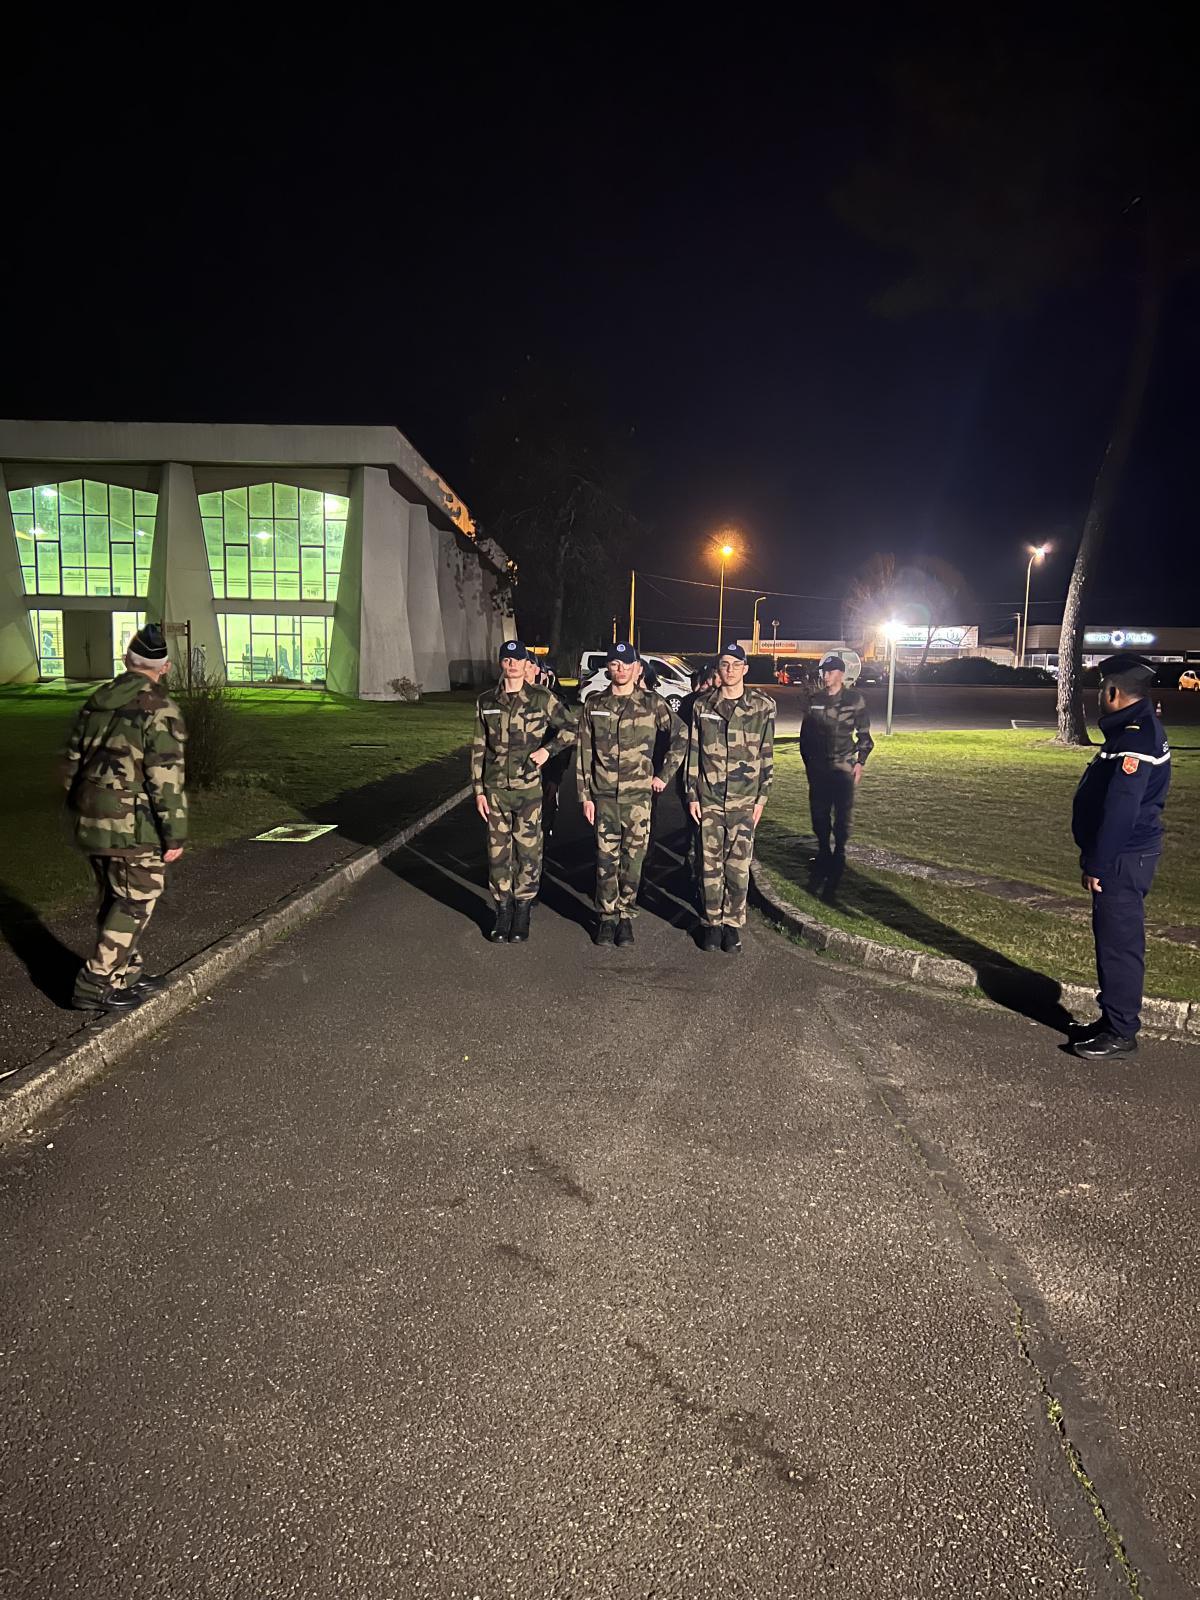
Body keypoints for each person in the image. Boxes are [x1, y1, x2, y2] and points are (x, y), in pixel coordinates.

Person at [63, 622, 187, 1012]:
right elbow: (166, 778)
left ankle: (125, 972)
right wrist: (175, 835)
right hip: (132, 825)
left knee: (116, 898)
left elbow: (71, 762)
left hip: (91, 817)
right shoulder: (158, 707)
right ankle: (94, 983)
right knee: (137, 899)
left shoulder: (97, 700)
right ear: (164, 668)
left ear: (125, 660)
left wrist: (80, 807)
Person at [1069, 652, 1172, 1060]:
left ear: (1113, 691)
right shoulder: (1136, 730)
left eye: (1100, 689)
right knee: (1114, 941)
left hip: (1123, 859)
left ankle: (1121, 1030)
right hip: (1126, 856)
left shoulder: (1134, 739)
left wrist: (1098, 863)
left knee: (1119, 944)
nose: (1098, 696)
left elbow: (1121, 810)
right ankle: (1112, 1018)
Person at [577, 641, 686, 946]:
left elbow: (681, 735)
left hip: (638, 799)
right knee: (604, 861)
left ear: (637, 668)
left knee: (633, 862)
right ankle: (607, 918)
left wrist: (663, 776)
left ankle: (625, 916)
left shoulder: (653, 704)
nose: (621, 669)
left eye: (626, 664)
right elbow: (584, 751)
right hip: (604, 797)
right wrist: (584, 795)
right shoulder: (595, 705)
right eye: (614, 664)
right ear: (608, 668)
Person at [471, 640, 576, 943]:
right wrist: (478, 789)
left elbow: (572, 729)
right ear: (501, 664)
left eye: (517, 659)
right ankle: (502, 911)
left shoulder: (542, 699)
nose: (512, 664)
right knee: (497, 854)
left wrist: (548, 751)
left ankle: (523, 911)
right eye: (507, 659)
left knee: (529, 852)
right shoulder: (486, 701)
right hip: (495, 791)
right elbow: (479, 748)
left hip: (529, 789)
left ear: (525, 664)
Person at [686, 642, 775, 953]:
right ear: (718, 668)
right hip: (709, 797)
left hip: (745, 800)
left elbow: (767, 754)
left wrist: (762, 798)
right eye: (725, 664)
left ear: (745, 669)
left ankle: (732, 924)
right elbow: (693, 753)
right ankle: (711, 923)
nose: (730, 670)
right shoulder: (702, 706)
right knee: (709, 866)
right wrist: (692, 794)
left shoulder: (762, 708)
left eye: (736, 665)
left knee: (737, 868)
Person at [799, 652, 874, 903]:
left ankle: (839, 854)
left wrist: (860, 763)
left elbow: (865, 737)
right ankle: (823, 851)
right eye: (823, 671)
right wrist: (809, 766)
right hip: (819, 770)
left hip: (843, 768)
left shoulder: (854, 700)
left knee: (841, 816)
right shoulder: (814, 701)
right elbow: (805, 738)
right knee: (819, 816)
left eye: (829, 672)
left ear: (841, 674)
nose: (825, 676)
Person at [675, 664, 716, 886]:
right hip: (692, 772)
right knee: (697, 825)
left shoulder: (698, 702)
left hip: (702, 775)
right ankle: (693, 868)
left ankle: (693, 867)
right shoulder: (693, 702)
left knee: (698, 826)